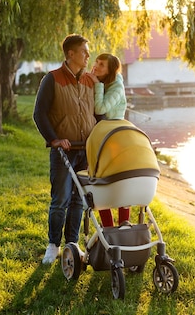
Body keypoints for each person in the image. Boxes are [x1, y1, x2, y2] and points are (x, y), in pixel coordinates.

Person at [33, 34, 97, 265]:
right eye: (84, 51)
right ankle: (53, 245)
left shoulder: (91, 80)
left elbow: (99, 113)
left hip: (85, 150)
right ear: (70, 54)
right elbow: (39, 113)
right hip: (64, 152)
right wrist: (54, 139)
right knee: (60, 199)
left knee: (78, 200)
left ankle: (72, 244)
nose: (88, 55)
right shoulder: (52, 79)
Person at [87, 53, 129, 227]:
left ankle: (124, 222)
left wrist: (96, 84)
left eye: (101, 64)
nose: (96, 66)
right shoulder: (104, 82)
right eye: (96, 62)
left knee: (119, 182)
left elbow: (100, 107)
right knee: (101, 181)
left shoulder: (117, 87)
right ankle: (108, 227)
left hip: (115, 138)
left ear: (110, 70)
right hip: (102, 136)